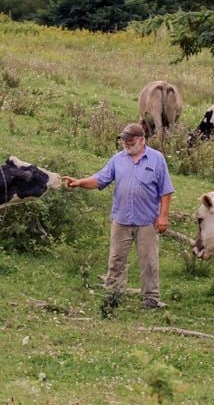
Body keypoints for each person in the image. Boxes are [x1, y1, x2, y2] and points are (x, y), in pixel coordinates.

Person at [64, 122, 174, 308]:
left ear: (141, 140)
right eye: (124, 140)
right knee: (116, 260)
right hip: (121, 220)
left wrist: (163, 216)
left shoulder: (157, 159)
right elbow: (100, 179)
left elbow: (166, 191)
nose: (126, 143)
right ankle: (114, 294)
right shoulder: (118, 159)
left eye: (130, 141)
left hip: (147, 221)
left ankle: (151, 299)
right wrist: (79, 182)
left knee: (149, 262)